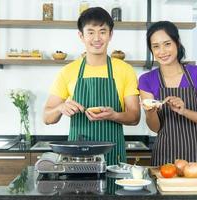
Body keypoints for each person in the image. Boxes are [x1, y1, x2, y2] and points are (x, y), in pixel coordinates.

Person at [43, 7, 140, 165]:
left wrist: (113, 115)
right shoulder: (68, 71)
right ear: (81, 35)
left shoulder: (125, 70)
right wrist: (60, 108)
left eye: (102, 31)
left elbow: (135, 117)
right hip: (76, 159)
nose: (97, 38)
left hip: (113, 159)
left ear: (110, 35)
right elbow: (47, 117)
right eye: (90, 32)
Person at [139, 21, 197, 167]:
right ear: (151, 50)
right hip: (165, 157)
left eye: (167, 44)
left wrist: (184, 111)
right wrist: (150, 112)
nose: (162, 51)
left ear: (177, 43)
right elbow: (155, 128)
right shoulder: (147, 80)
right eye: (156, 46)